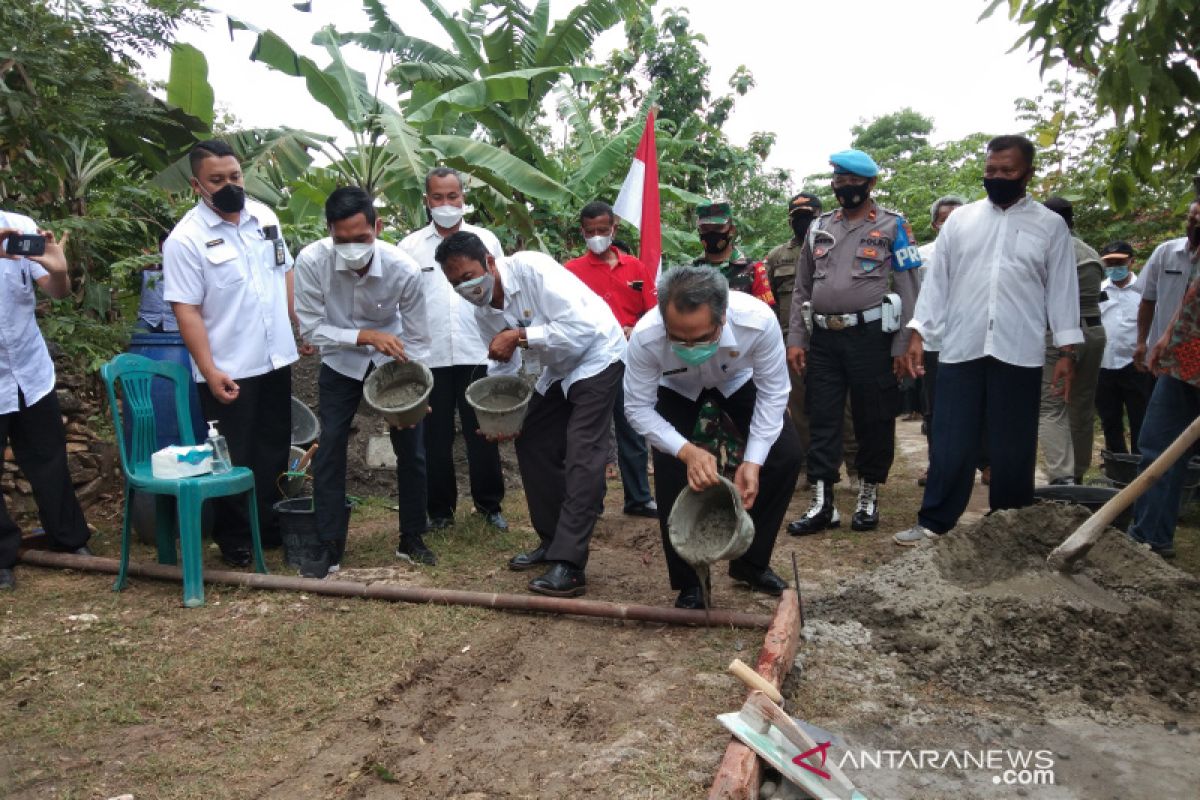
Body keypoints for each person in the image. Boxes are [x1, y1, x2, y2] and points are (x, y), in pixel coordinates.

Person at [896, 135, 1082, 545]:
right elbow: (938, 283)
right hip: (962, 347)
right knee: (950, 437)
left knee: (1013, 443)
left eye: (1007, 171)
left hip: (1020, 349)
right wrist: (918, 331)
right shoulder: (961, 222)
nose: (997, 177)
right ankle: (935, 522)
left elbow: (1063, 292)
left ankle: (1009, 526)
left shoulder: (1049, 227)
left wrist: (1067, 351)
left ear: (1028, 174)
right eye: (991, 170)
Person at [435, 231, 625, 598]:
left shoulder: (533, 269)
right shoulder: (483, 310)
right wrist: (500, 415)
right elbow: (502, 365)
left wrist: (520, 335)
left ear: (489, 262)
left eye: (469, 275)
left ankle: (569, 565)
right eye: (455, 283)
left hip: (599, 353)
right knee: (532, 437)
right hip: (559, 368)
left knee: (583, 450)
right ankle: (553, 543)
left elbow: (580, 329)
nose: (465, 287)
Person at [624, 266, 802, 608]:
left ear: (722, 319)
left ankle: (751, 564)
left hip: (735, 377)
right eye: (679, 339)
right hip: (674, 387)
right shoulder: (646, 337)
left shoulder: (757, 321)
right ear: (664, 321)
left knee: (783, 455)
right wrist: (686, 451)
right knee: (672, 467)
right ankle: (690, 583)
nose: (690, 346)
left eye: (702, 337)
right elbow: (637, 407)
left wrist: (752, 461)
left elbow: (773, 394)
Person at [163, 139, 298, 566]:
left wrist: (296, 326)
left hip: (276, 356)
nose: (229, 185)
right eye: (216, 180)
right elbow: (186, 310)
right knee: (231, 456)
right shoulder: (186, 239)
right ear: (196, 185)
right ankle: (236, 539)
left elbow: (285, 272)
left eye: (234, 176)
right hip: (229, 366)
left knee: (274, 446)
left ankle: (270, 525)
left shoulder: (264, 217)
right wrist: (208, 368)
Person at [294, 187, 434, 576]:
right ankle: (329, 544)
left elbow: (419, 337)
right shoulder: (311, 261)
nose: (353, 247)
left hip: (394, 363)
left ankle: (412, 537)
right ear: (329, 231)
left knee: (412, 446)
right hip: (340, 362)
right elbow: (311, 329)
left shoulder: (402, 268)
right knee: (331, 446)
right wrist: (365, 336)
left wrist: (422, 388)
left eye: (362, 238)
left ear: (378, 226)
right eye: (342, 239)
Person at [785, 149, 922, 535]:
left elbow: (910, 286)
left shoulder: (895, 227)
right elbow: (802, 287)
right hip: (824, 336)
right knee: (822, 415)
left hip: (871, 337)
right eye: (839, 181)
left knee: (873, 416)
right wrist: (797, 337)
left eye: (853, 182)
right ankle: (822, 502)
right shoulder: (819, 227)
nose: (845, 188)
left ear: (870, 183)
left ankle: (868, 493)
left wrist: (905, 341)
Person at [398, 168, 508, 533]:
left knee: (483, 433)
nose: (446, 204)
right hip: (429, 357)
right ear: (426, 201)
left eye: (453, 196)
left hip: (479, 353)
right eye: (438, 198)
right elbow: (403, 304)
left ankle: (490, 506)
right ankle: (440, 511)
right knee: (435, 439)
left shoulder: (486, 240)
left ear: (464, 196)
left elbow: (501, 293)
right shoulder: (410, 248)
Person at [0, 218, 92, 590]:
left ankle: (69, 539)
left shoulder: (19, 225)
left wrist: (59, 270)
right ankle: (2, 559)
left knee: (49, 458)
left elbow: (56, 291)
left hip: (30, 371)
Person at [564, 200, 657, 518]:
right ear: (583, 233)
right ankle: (591, 501)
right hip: (590, 362)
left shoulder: (636, 268)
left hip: (630, 359)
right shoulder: (571, 272)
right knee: (592, 435)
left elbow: (652, 312)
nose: (597, 236)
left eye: (603, 230)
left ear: (614, 228)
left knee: (632, 425)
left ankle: (639, 497)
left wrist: (637, 327)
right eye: (590, 232)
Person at [765, 193, 859, 470]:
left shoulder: (837, 248)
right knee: (798, 405)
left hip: (831, 335)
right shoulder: (776, 257)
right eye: (798, 217)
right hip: (791, 340)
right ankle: (808, 464)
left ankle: (853, 462)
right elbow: (767, 300)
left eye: (809, 216)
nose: (803, 222)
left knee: (844, 406)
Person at [1127, 260, 1200, 559]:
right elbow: (1192, 297)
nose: (1194, 214)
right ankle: (1148, 538)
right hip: (1187, 353)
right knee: (1158, 445)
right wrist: (1169, 335)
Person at [1038, 196, 1106, 484]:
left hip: (1061, 334)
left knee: (1051, 405)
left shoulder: (1052, 250)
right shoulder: (1088, 251)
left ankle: (1061, 476)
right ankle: (1077, 472)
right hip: (1094, 332)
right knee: (1081, 403)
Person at [914, 195, 966, 485]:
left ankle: (984, 462)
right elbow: (915, 300)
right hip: (933, 342)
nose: (952, 224)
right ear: (935, 224)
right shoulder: (921, 257)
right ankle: (937, 464)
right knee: (934, 407)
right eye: (945, 219)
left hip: (971, 340)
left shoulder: (981, 252)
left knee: (977, 404)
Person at [1095, 241, 1152, 454]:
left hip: (1136, 365)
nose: (1114, 267)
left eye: (1119, 262)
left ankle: (1140, 465)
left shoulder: (1145, 290)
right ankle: (1116, 464)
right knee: (1109, 419)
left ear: (1131, 261)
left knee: (1140, 417)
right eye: (1109, 263)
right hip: (1104, 364)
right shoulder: (1097, 290)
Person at [1134, 199, 1200, 373]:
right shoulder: (1165, 252)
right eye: (1190, 220)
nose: (1192, 226)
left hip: (1194, 357)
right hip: (1162, 353)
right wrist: (1141, 342)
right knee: (1158, 400)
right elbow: (1147, 301)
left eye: (1198, 222)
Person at [691, 200, 775, 305]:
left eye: (718, 228)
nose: (711, 234)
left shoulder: (752, 269)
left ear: (731, 230)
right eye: (705, 229)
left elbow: (765, 314)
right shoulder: (690, 271)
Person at [135, 232, 178, 333]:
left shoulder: (181, 264)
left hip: (173, 320)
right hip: (148, 318)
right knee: (137, 340)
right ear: (159, 244)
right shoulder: (147, 262)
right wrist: (150, 263)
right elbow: (134, 270)